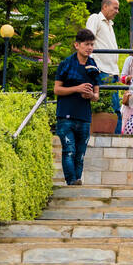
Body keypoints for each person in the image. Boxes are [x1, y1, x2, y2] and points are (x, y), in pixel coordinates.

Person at [54, 28, 100, 185]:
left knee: (80, 154)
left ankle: (76, 181)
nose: (89, 48)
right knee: (69, 150)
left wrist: (91, 96)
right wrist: (77, 88)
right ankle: (72, 181)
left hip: (84, 116)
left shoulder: (93, 65)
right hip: (65, 115)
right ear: (77, 45)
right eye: (86, 44)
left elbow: (96, 95)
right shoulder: (66, 64)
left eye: (92, 45)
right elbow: (57, 89)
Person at [85, 0, 122, 135]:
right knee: (109, 107)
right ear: (105, 7)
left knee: (115, 106)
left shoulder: (110, 24)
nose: (117, 11)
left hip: (112, 70)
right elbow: (88, 39)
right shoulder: (95, 18)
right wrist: (91, 64)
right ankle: (114, 138)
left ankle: (118, 137)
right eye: (115, 8)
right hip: (102, 70)